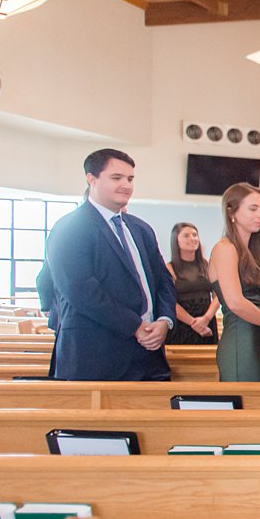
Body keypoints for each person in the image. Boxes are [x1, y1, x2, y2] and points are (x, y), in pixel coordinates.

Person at [45, 149, 177, 381]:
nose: (126, 185)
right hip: (96, 355)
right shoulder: (69, 227)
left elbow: (163, 280)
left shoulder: (140, 228)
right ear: (92, 179)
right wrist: (135, 326)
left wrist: (165, 321)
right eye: (117, 178)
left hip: (149, 353)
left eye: (130, 179)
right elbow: (81, 289)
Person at [209, 183, 260, 381]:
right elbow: (236, 302)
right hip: (240, 338)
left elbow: (259, 300)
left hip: (256, 339)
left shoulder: (251, 252)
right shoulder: (225, 249)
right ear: (232, 212)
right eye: (253, 209)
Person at [165, 222, 219, 345]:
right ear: (176, 240)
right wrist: (194, 323)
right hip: (183, 324)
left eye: (195, 235)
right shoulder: (169, 268)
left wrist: (206, 319)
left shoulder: (207, 265)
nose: (192, 239)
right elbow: (170, 302)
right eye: (186, 235)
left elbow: (218, 296)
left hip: (207, 320)